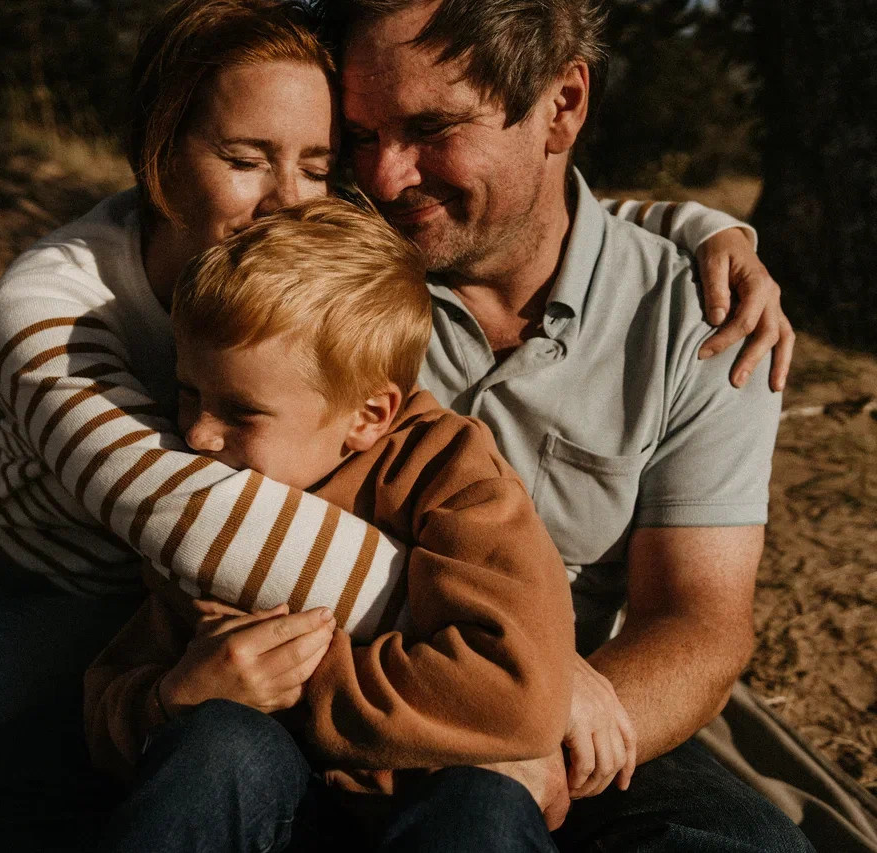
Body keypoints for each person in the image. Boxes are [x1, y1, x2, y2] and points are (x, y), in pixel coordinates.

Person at [0, 0, 784, 815]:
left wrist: (704, 229)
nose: (308, 193)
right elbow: (183, 506)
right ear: (165, 153)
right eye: (247, 155)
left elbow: (544, 201)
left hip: (108, 599)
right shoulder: (57, 299)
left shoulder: (347, 241)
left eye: (321, 160)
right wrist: (520, 654)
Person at [321, 0, 812, 849]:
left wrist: (537, 740)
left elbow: (699, 619)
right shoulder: (323, 268)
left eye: (432, 128)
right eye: (361, 135)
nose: (387, 176)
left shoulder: (704, 319)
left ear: (563, 105)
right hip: (354, 686)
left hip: (596, 698)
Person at [87, 195, 577, 852]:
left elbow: (517, 690)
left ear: (369, 417)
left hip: (417, 795)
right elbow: (112, 689)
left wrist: (283, 676)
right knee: (215, 744)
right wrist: (176, 696)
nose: (199, 432)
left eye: (241, 411)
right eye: (189, 393)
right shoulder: (212, 497)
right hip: (273, 803)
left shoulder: (451, 472)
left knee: (482, 806)